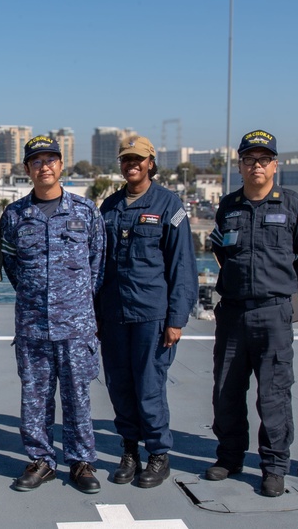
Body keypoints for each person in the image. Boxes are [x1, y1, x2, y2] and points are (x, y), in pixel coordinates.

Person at [206, 130, 298, 497]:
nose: (257, 165)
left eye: (263, 159)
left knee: (273, 393)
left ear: (275, 165)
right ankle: (230, 456)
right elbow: (222, 251)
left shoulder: (291, 204)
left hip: (274, 313)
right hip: (233, 313)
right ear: (240, 165)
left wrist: (286, 285)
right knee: (226, 390)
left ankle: (273, 466)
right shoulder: (228, 205)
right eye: (249, 159)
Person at [0, 135, 105, 494]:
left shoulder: (86, 211)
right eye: (36, 161)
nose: (44, 167)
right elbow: (11, 264)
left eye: (50, 160)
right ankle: (41, 460)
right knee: (35, 397)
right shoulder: (14, 216)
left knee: (78, 396)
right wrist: (37, 293)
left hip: (76, 326)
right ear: (27, 169)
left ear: (61, 165)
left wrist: (74, 303)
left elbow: (97, 265)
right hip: (33, 324)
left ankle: (81, 462)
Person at [97, 135, 198, 488]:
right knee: (119, 386)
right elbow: (98, 267)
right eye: (126, 160)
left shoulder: (169, 205)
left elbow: (182, 266)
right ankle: (129, 451)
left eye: (138, 159)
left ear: (151, 163)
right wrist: (95, 315)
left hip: (151, 315)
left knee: (149, 387)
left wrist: (176, 319)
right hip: (113, 315)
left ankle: (158, 454)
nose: (132, 165)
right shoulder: (108, 207)